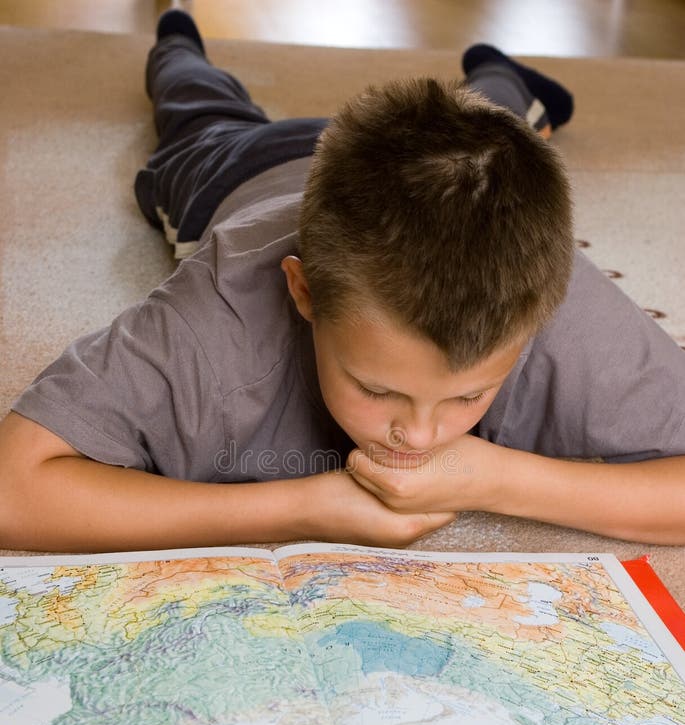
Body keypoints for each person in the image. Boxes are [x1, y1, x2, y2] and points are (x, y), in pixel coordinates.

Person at [1, 10, 684, 553]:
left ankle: (502, 79)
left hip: (407, 178)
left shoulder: (550, 296)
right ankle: (177, 34)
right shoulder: (215, 317)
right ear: (302, 292)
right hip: (239, 168)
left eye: (468, 394)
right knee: (195, 103)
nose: (418, 436)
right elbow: (14, 489)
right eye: (377, 388)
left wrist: (501, 480)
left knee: (486, 130)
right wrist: (302, 509)